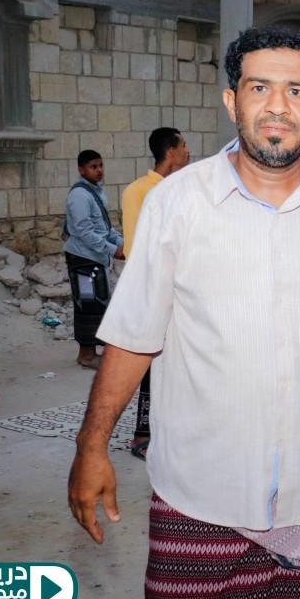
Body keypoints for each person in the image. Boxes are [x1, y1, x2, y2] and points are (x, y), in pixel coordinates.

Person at [67, 26, 300, 599]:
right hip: (199, 501)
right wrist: (91, 445)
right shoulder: (178, 203)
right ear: (232, 100)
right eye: (260, 88)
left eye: (295, 91)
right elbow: (133, 335)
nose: (278, 106)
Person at [120, 127, 190, 460]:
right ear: (171, 151)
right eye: (184, 145)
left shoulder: (182, 190)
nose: (188, 151)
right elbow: (136, 248)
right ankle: (142, 435)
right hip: (152, 291)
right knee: (150, 366)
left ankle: (172, 432)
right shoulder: (139, 191)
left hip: (181, 293)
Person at [64, 150, 124, 370]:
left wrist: (122, 242)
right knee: (87, 303)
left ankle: (92, 352)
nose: (99, 170)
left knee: (97, 302)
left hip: (94, 259)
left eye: (100, 165)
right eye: (93, 167)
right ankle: (86, 355)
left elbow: (104, 228)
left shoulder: (95, 191)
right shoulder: (80, 195)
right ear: (81, 170)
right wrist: (112, 250)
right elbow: (84, 232)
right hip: (83, 259)